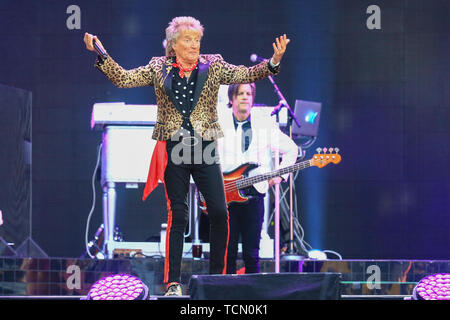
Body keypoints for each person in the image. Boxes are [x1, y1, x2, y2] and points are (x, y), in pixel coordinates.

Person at [83, 16, 290, 296]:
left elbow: (244, 74)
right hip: (175, 148)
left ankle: (217, 279)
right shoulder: (159, 67)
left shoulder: (213, 64)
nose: (194, 45)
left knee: (218, 211)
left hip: (204, 148)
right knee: (177, 216)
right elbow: (124, 78)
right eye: (187, 40)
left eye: (197, 40)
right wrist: (101, 54)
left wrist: (273, 62)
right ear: (173, 44)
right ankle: (173, 283)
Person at [217, 83, 298, 274]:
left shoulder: (265, 125)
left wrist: (280, 175)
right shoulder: (219, 124)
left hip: (254, 196)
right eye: (240, 94)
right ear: (232, 99)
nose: (245, 97)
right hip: (226, 195)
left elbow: (291, 149)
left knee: (252, 253)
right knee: (226, 253)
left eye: (248, 94)